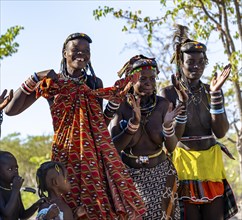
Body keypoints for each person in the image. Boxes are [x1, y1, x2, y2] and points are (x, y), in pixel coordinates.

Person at [5, 32, 146, 219]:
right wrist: (35, 77)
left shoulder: (94, 83)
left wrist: (115, 106)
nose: (81, 54)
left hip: (93, 158)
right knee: (66, 203)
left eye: (86, 51)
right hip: (65, 154)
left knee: (95, 207)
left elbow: (98, 125)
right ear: (64, 53)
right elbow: (10, 110)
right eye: (75, 50)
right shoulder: (51, 83)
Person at [161, 25, 238, 220]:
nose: (196, 66)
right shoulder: (168, 93)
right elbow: (174, 137)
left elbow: (220, 132)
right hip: (183, 161)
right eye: (190, 62)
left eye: (201, 61)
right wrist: (182, 104)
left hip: (210, 163)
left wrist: (215, 95)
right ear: (181, 62)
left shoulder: (211, 89)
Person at [110, 54, 186, 219]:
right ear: (130, 80)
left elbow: (172, 147)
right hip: (129, 177)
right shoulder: (122, 106)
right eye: (142, 79)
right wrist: (133, 124)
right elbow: (113, 148)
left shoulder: (162, 105)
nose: (148, 83)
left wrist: (167, 126)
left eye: (152, 78)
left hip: (161, 174)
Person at [0, 150, 44, 220]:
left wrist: (37, 204)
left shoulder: (14, 190)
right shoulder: (10, 190)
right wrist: (15, 190)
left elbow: (22, 215)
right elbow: (6, 214)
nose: (15, 171)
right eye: (10, 169)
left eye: (16, 168)